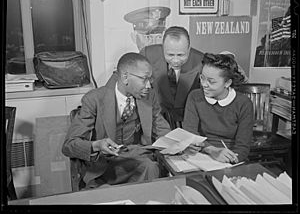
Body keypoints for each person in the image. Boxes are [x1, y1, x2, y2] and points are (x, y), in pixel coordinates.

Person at [62, 52, 170, 188]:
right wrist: (97, 145)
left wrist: (183, 144)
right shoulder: (94, 99)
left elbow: (162, 130)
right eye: (144, 79)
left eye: (150, 79)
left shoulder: (148, 97)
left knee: (151, 168)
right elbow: (69, 145)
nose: (148, 85)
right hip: (104, 169)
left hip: (138, 162)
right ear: (125, 77)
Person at [183, 53, 254, 163]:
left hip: (229, 157)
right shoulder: (195, 97)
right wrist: (212, 151)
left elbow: (242, 147)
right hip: (200, 155)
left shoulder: (244, 104)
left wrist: (230, 160)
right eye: (202, 78)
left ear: (227, 83)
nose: (204, 85)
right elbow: (191, 133)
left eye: (211, 81)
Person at [140, 26, 204, 125]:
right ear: (163, 48)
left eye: (180, 55)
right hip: (156, 119)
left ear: (189, 49)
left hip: (187, 120)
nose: (175, 60)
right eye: (170, 55)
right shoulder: (147, 54)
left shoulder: (201, 60)